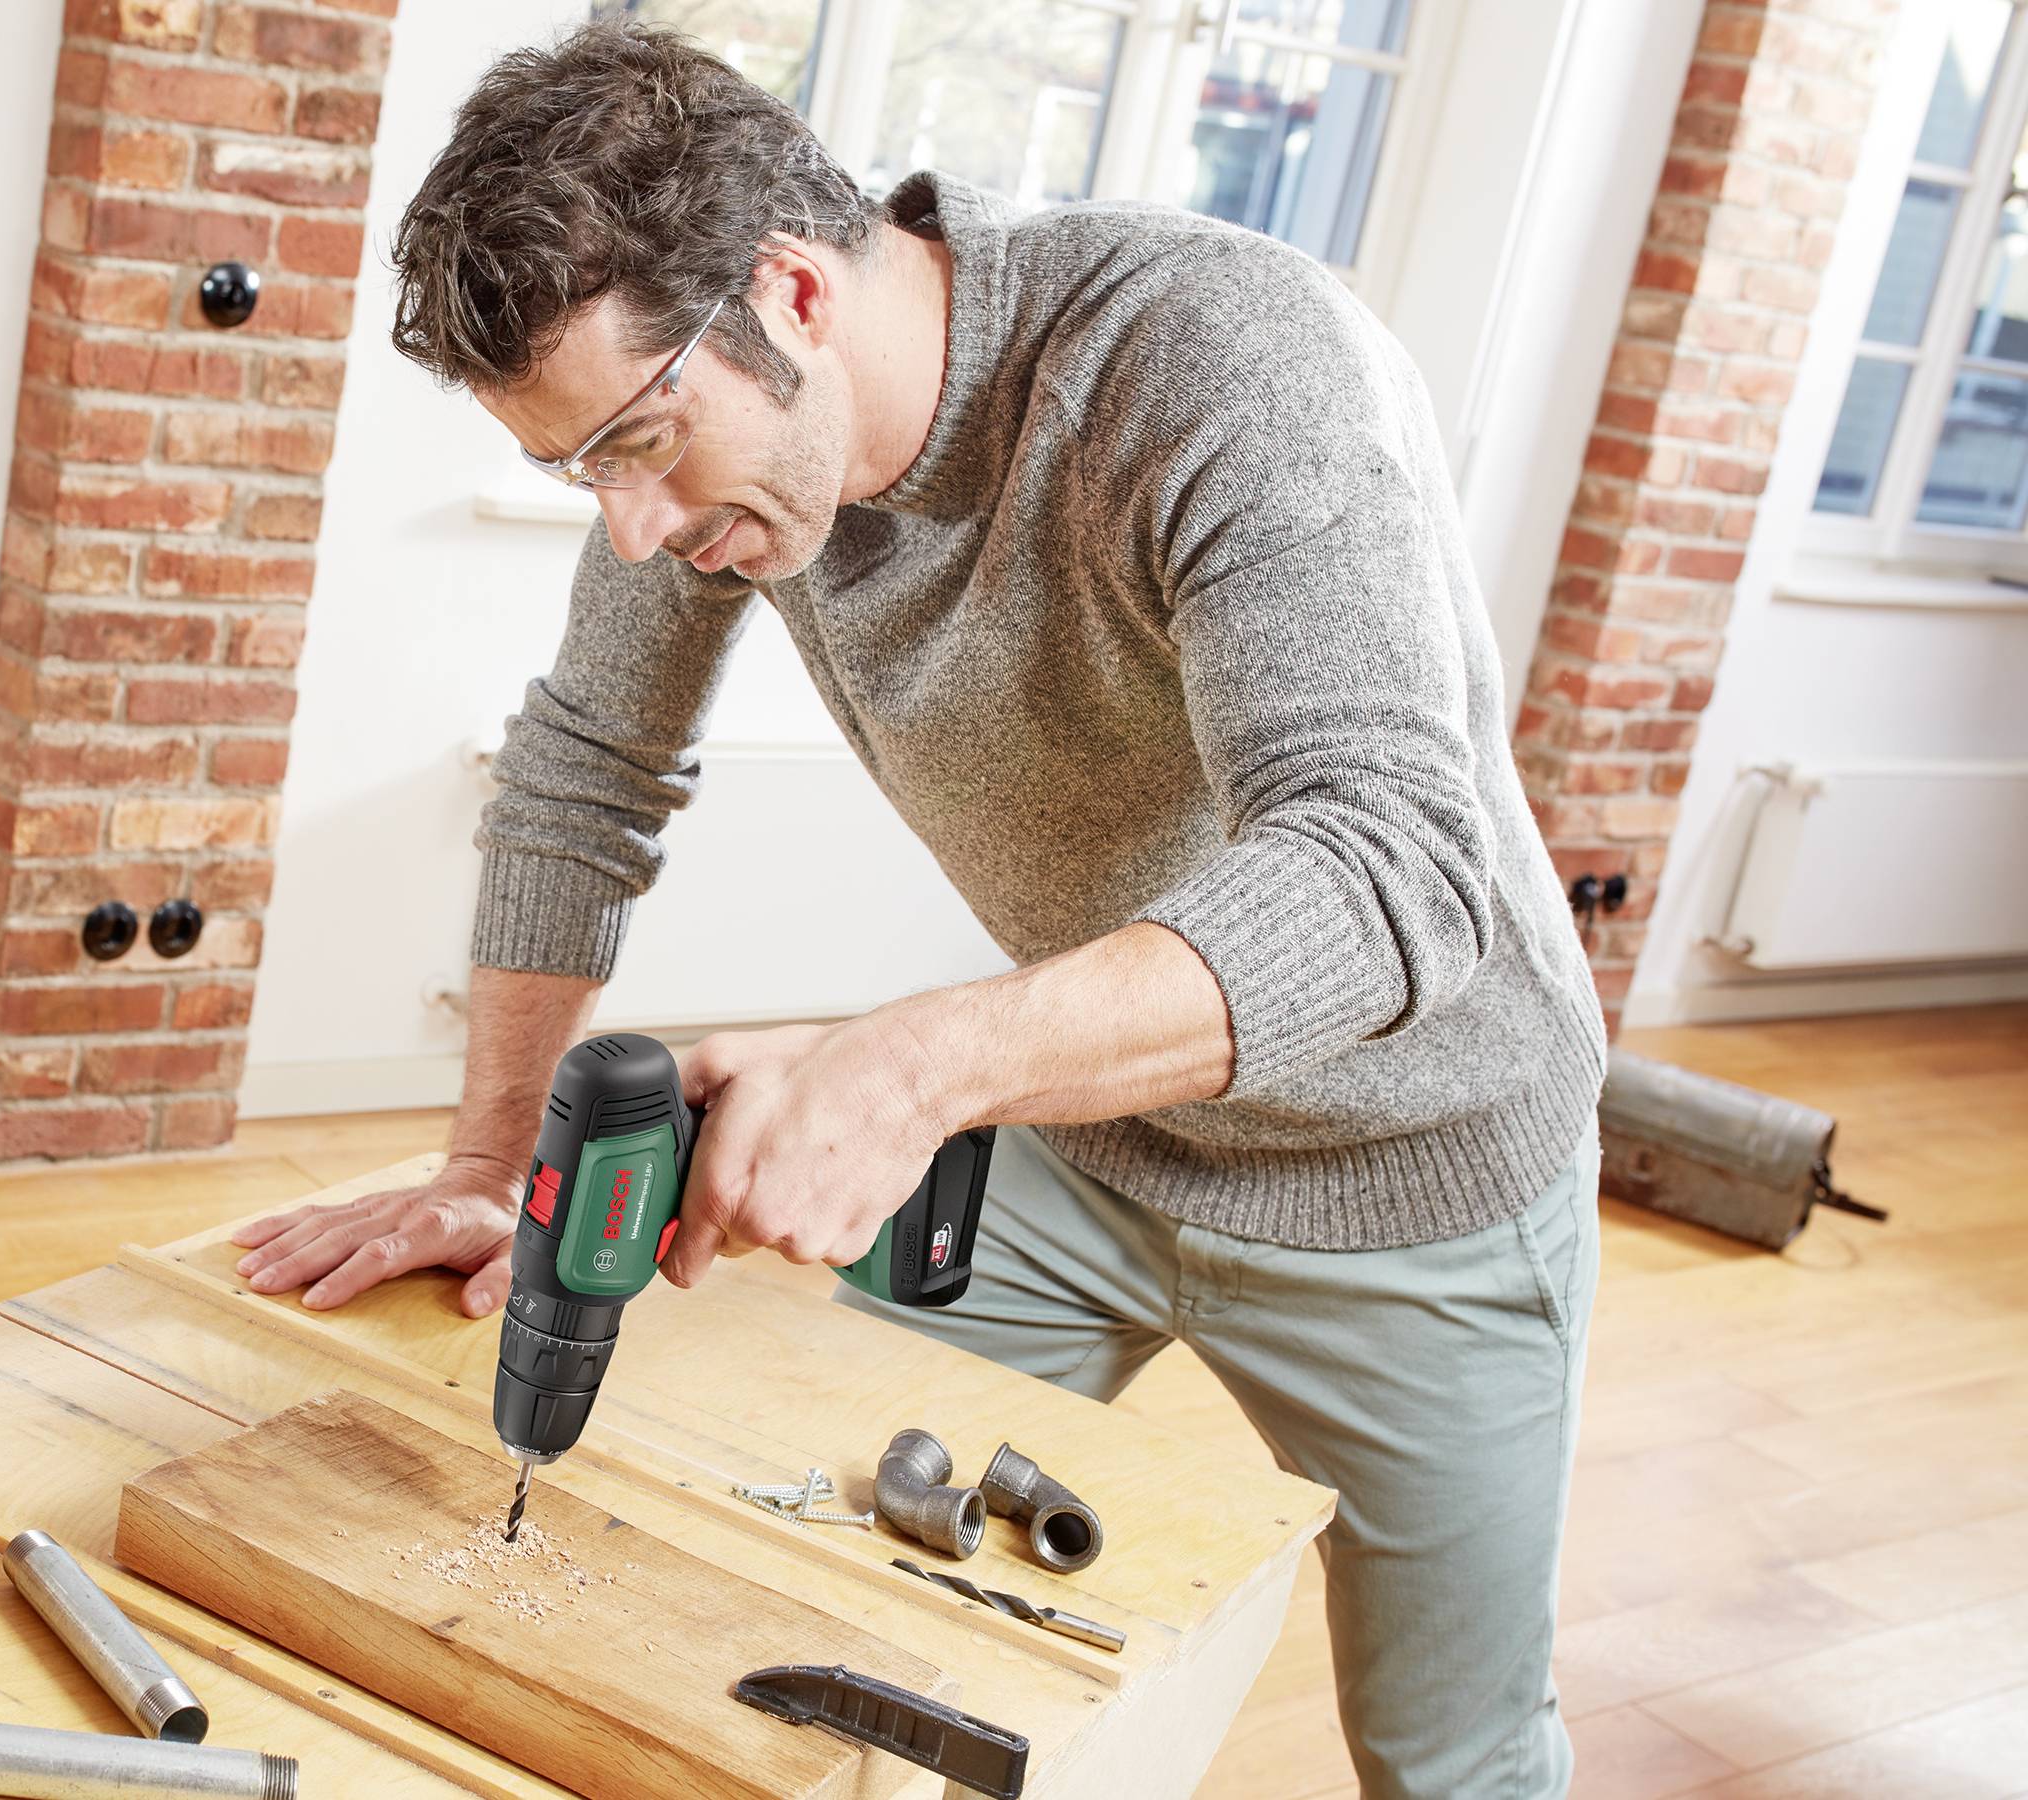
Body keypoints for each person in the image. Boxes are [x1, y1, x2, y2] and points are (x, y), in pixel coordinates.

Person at [229, 22, 1607, 1800]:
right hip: (1089, 1146)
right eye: (586, 470)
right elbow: (582, 767)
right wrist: (491, 1159)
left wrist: (915, 1067)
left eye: (644, 443)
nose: (632, 531)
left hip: (1412, 1179)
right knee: (826, 1597)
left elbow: (1390, 876)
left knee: (1454, 1754)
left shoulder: (1225, 362)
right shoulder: (728, 464)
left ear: (792, 291)